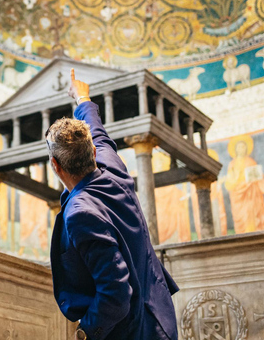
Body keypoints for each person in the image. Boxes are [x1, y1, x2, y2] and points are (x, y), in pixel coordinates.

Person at [48, 69, 178, 340]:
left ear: (55, 166)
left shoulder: (80, 213)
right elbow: (98, 132)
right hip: (159, 318)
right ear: (93, 151)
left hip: (130, 331)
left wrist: (86, 332)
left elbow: (116, 292)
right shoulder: (113, 169)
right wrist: (82, 97)